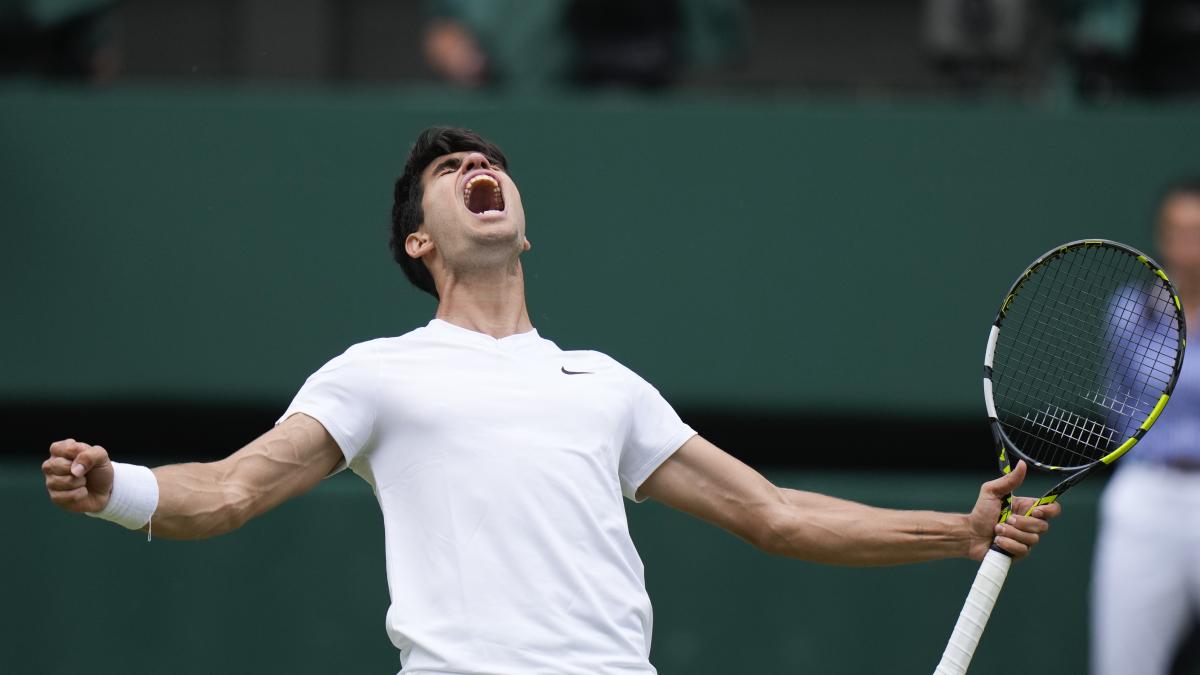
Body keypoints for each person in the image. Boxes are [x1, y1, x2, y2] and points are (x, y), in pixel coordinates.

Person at [42, 126, 1060, 675]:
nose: (481, 169)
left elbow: (774, 513)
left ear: (522, 227)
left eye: (489, 164)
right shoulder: (376, 374)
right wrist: (115, 488)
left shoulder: (606, 386)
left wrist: (959, 532)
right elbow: (228, 492)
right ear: (420, 241)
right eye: (451, 170)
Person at [1092, 180, 1200, 675]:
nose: (1186, 246)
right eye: (1176, 232)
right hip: (1146, 493)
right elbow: (1121, 405)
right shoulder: (1127, 312)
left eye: (1197, 232)